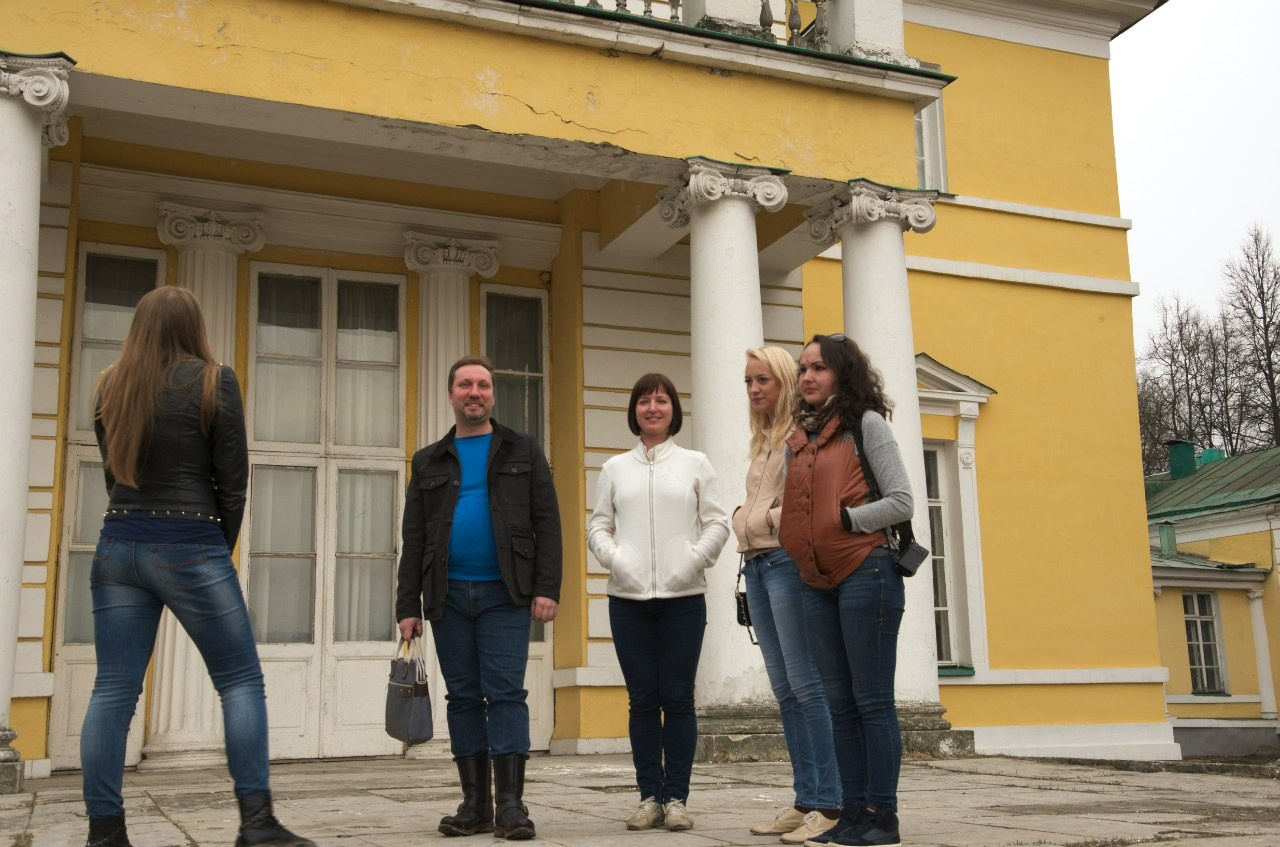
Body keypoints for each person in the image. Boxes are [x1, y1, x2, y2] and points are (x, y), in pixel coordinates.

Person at [82, 287, 311, 847]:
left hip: (118, 544)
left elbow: (113, 474)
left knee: (112, 691)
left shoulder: (109, 384)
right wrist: (216, 551)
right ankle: (257, 823)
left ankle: (105, 833)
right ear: (194, 325)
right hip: (191, 541)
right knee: (239, 681)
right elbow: (233, 482)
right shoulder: (214, 380)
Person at [396, 355, 562, 841]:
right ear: (451, 395)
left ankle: (511, 805)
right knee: (464, 697)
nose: (475, 392)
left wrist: (547, 587)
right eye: (465, 385)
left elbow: (548, 522)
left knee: (506, 693)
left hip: (506, 594)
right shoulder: (428, 460)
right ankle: (475, 805)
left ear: (493, 394)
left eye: (483, 385)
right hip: (446, 596)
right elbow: (414, 536)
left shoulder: (523, 449)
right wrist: (407, 605)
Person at [779, 334, 913, 847]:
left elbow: (901, 500)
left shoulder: (866, 424)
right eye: (803, 369)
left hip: (866, 571)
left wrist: (848, 520)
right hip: (816, 582)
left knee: (871, 701)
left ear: (843, 373)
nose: (808, 377)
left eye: (819, 368)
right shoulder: (800, 437)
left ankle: (883, 815)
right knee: (839, 704)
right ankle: (852, 813)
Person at [586, 373, 730, 833]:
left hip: (684, 599)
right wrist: (616, 560)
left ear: (673, 410)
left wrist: (694, 560)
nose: (653, 408)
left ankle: (678, 800)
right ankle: (649, 797)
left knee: (678, 698)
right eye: (644, 401)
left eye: (662, 400)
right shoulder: (614, 468)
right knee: (643, 700)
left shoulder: (695, 463)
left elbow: (717, 522)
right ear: (634, 411)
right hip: (628, 601)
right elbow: (598, 527)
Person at [734, 347, 842, 844]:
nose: (754, 389)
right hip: (756, 565)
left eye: (763, 380)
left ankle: (830, 802)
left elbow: (809, 500)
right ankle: (805, 798)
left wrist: (763, 519)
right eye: (748, 381)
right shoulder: (764, 439)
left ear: (782, 381)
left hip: (785, 563)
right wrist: (744, 518)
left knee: (806, 683)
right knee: (784, 688)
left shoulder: (802, 435)